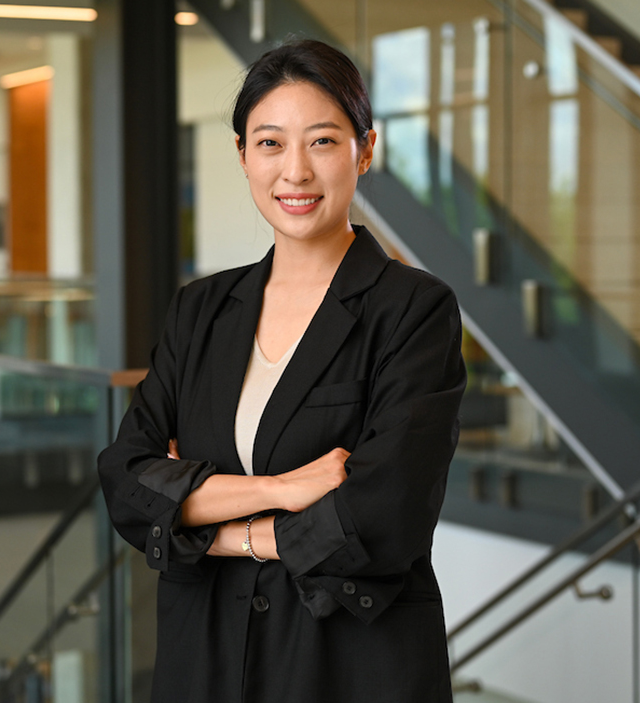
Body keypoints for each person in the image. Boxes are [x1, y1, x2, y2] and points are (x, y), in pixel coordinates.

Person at [97, 39, 466, 703]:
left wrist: (210, 527)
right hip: (203, 659)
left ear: (366, 150)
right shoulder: (200, 309)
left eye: (322, 141)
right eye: (270, 143)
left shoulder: (413, 309)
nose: (294, 171)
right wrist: (285, 487)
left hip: (346, 666)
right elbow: (127, 480)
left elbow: (383, 516)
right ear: (242, 155)